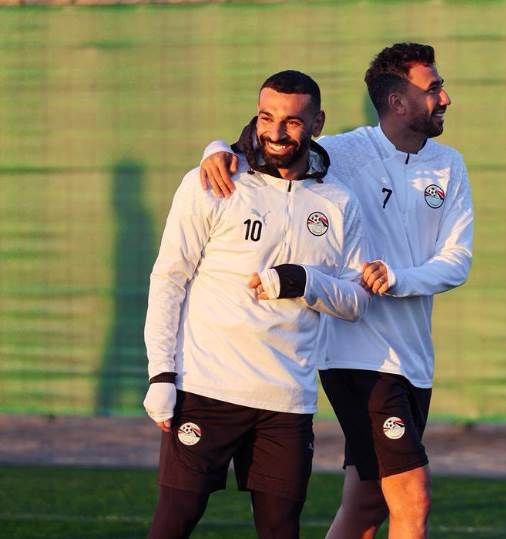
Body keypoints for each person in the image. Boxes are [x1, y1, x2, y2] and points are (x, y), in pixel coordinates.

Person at [200, 43, 474, 539]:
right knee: (413, 499)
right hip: (357, 356)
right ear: (398, 101)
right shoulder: (344, 153)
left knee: (367, 505)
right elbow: (269, 147)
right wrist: (216, 148)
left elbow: (458, 260)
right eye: (433, 88)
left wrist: (398, 278)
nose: (445, 98)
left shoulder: (449, 165)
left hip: (413, 359)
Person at [143, 70, 370, 539]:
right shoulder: (214, 182)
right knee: (173, 523)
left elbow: (356, 301)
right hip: (205, 387)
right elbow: (169, 279)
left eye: (292, 121)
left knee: (281, 529)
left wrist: (303, 281)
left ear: (317, 123)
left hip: (287, 399)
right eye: (267, 117)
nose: (276, 131)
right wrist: (161, 374)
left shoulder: (338, 201)